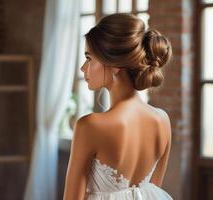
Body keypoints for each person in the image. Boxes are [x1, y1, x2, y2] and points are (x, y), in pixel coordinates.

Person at [63, 13, 173, 200]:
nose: (83, 68)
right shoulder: (162, 120)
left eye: (89, 58)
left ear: (115, 66)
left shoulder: (90, 126)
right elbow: (151, 193)